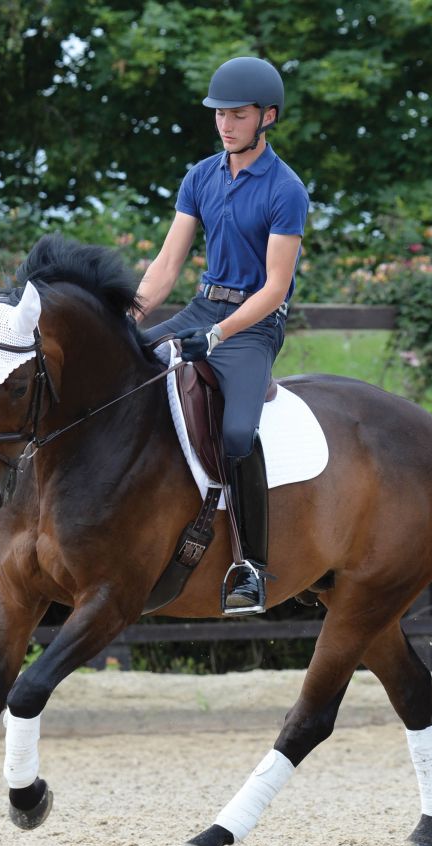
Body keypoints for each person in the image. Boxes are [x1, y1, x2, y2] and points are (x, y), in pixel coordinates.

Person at [137, 56, 309, 615]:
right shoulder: (200, 177)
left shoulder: (287, 190)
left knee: (237, 433)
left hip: (253, 326)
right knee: (124, 371)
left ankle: (251, 567)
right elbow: (167, 264)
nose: (225, 124)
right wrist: (131, 321)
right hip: (202, 305)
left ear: (268, 118)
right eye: (219, 114)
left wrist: (216, 337)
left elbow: (275, 289)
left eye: (237, 114)